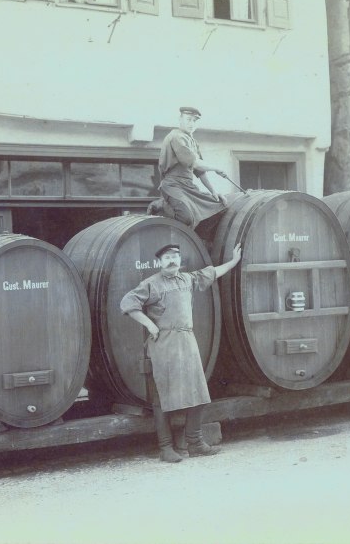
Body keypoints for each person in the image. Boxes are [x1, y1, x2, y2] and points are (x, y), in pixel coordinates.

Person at [121, 242, 243, 462]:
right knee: (163, 398)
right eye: (167, 257)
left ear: (179, 260)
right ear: (159, 262)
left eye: (175, 256)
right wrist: (149, 325)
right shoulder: (151, 284)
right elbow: (127, 302)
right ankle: (166, 448)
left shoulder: (187, 279)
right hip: (164, 344)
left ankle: (194, 442)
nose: (172, 260)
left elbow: (212, 273)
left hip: (187, 340)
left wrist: (233, 262)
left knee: (199, 394)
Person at [152, 107, 229, 228]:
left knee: (219, 205)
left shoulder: (192, 141)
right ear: (180, 120)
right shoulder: (176, 136)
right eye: (188, 119)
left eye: (194, 121)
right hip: (173, 185)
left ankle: (198, 240)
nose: (191, 124)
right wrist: (216, 168)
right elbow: (194, 163)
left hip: (188, 186)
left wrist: (213, 192)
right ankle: (162, 206)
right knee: (186, 217)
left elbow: (200, 171)